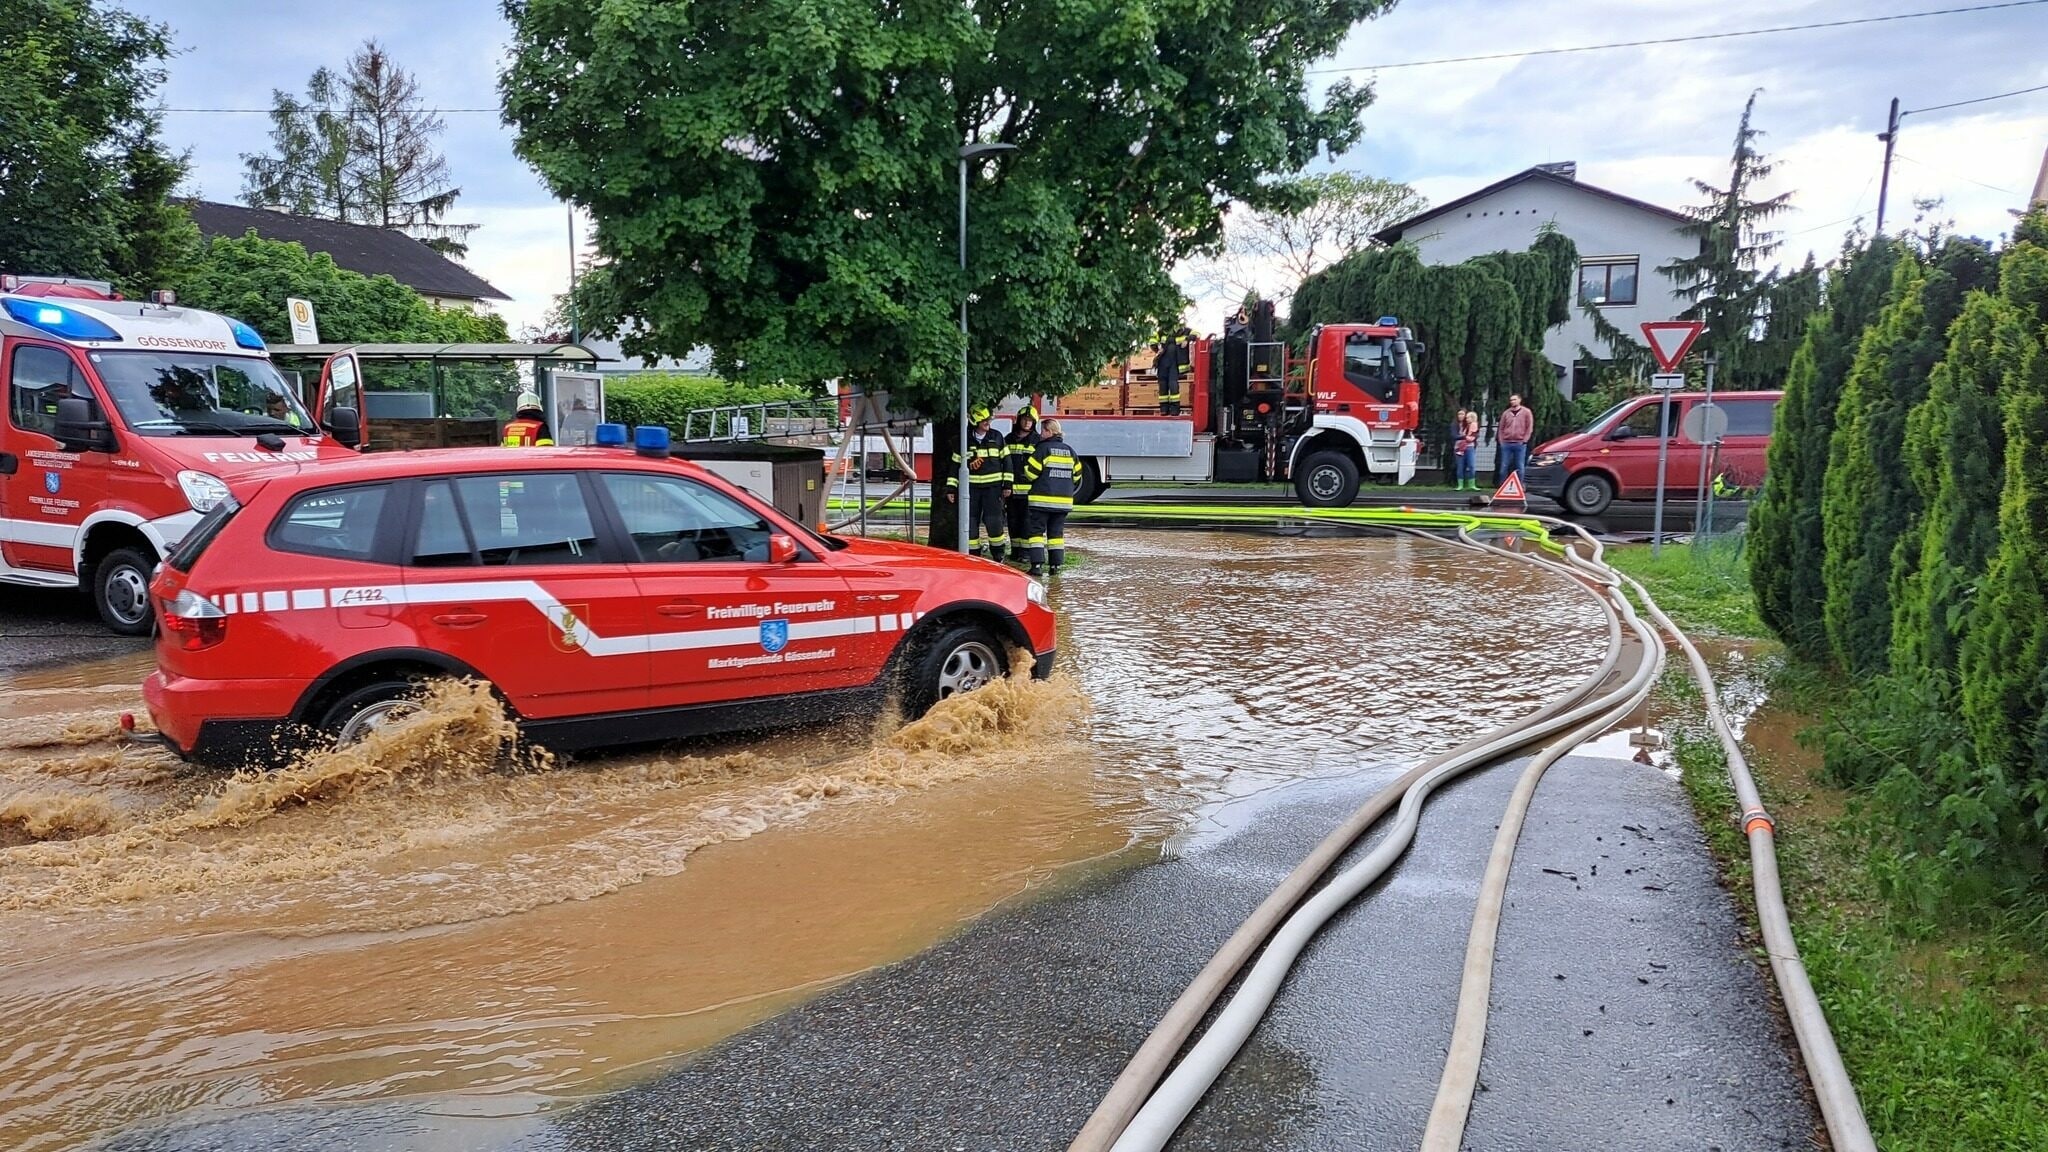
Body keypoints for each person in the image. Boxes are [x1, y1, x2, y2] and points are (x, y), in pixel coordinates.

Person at [945, 406, 1011, 560]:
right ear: (975, 421)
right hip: (970, 490)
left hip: (993, 490)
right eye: (984, 420)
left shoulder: (997, 437)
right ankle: (974, 556)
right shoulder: (964, 440)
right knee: (970, 524)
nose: (988, 422)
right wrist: (951, 489)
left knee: (994, 522)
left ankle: (998, 556)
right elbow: (955, 466)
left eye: (989, 419)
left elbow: (1007, 462)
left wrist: (1007, 485)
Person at [1021, 417, 1078, 577]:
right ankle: (1055, 567)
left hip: (1041, 500)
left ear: (1049, 431)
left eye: (1042, 430)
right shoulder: (1070, 451)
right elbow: (1077, 476)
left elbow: (1031, 473)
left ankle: (1037, 566)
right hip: (1063, 502)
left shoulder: (1042, 450)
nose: (1040, 434)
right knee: (1056, 535)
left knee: (1036, 534)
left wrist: (1025, 468)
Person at [1005, 405, 1040, 557]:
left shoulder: (1037, 441)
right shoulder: (1008, 439)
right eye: (1025, 419)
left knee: (1026, 523)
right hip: (1011, 490)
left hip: (1029, 491)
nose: (1027, 423)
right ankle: (1015, 551)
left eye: (1031, 421)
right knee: (1013, 521)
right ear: (1019, 420)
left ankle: (1025, 553)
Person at [1496, 392, 1532, 485]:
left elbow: (1529, 427)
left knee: (1520, 465)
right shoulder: (1506, 413)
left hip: (1520, 443)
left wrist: (1525, 440)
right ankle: (1502, 486)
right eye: (1511, 400)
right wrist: (1501, 440)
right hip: (1506, 443)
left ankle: (1520, 485)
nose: (1512, 401)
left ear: (1519, 400)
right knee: (1504, 466)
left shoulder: (1526, 412)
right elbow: (1501, 428)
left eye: (1514, 399)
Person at [1452, 407, 1480, 490]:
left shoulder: (1471, 424)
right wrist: (1464, 437)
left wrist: (1471, 437)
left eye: (1462, 414)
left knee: (1471, 465)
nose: (1460, 416)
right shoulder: (1455, 424)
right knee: (1460, 466)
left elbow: (1474, 435)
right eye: (1459, 414)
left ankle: (1472, 484)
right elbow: (1454, 436)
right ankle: (1460, 485)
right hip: (1459, 447)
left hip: (1470, 447)